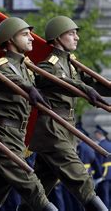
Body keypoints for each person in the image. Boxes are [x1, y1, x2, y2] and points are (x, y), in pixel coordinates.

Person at [20, 16, 111, 211]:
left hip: (65, 129)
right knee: (82, 180)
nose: (77, 38)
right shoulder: (48, 66)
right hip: (52, 131)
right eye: (71, 34)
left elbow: (94, 84)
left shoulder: (72, 64)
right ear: (58, 38)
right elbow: (63, 82)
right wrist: (85, 89)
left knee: (40, 189)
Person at [0, 17, 57, 210]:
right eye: (24, 34)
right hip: (2, 134)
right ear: (11, 40)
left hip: (17, 136)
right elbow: (4, 76)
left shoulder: (26, 68)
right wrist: (27, 87)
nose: (31, 38)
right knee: (31, 183)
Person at [94, 125, 111, 208]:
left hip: (104, 173)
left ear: (99, 134)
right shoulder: (109, 143)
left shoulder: (100, 145)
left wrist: (98, 174)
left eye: (96, 133)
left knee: (105, 195)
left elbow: (98, 161)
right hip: (109, 173)